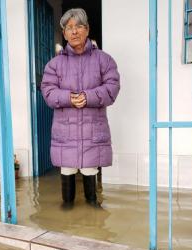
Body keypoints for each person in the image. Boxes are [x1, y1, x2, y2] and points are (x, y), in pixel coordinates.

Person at [40, 8, 120, 206]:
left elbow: (112, 87)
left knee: (90, 168)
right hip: (65, 128)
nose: (74, 31)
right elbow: (48, 91)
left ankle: (92, 205)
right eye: (69, 28)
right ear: (64, 33)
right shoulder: (54, 64)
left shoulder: (104, 59)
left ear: (87, 29)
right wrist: (68, 98)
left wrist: (89, 97)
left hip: (92, 127)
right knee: (66, 168)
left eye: (78, 26)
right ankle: (67, 207)